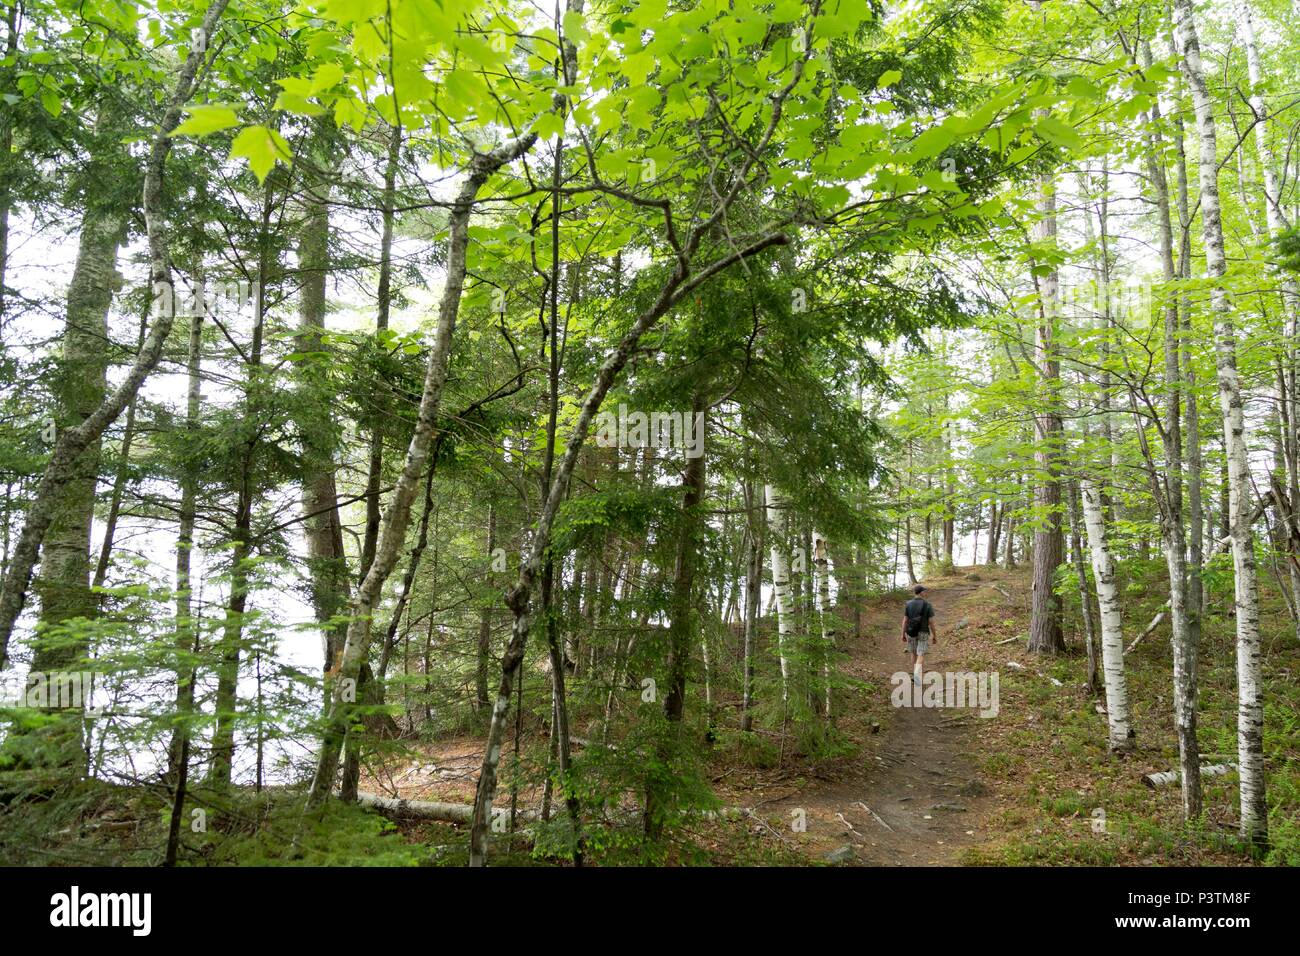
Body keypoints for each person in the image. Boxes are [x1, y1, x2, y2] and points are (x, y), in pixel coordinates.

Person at [902, 584, 937, 687]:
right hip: (923, 632)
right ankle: (917, 676)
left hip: (911, 632)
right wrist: (935, 635)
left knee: (913, 653)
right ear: (920, 592)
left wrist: (902, 634)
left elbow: (905, 620)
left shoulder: (908, 604)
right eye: (924, 591)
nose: (925, 592)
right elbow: (931, 622)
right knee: (921, 654)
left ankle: (915, 675)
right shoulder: (927, 605)